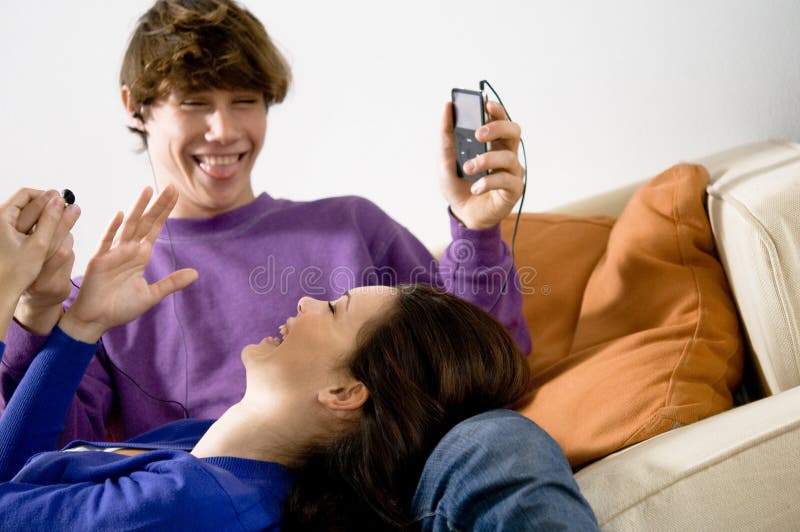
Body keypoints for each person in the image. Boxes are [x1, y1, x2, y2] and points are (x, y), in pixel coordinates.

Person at [0, 0, 531, 447]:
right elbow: (44, 459)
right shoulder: (102, 295)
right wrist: (33, 317)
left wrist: (475, 229)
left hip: (393, 478)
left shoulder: (352, 226)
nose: (224, 129)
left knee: (499, 440)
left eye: (245, 101)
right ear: (135, 106)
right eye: (194, 102)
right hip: (230, 503)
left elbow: (479, 367)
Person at [0, 187, 597, 531]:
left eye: (335, 308)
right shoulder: (196, 448)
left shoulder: (189, 499)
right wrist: (78, 325)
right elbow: (19, 476)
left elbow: (454, 353)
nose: (307, 297)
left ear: (344, 392)